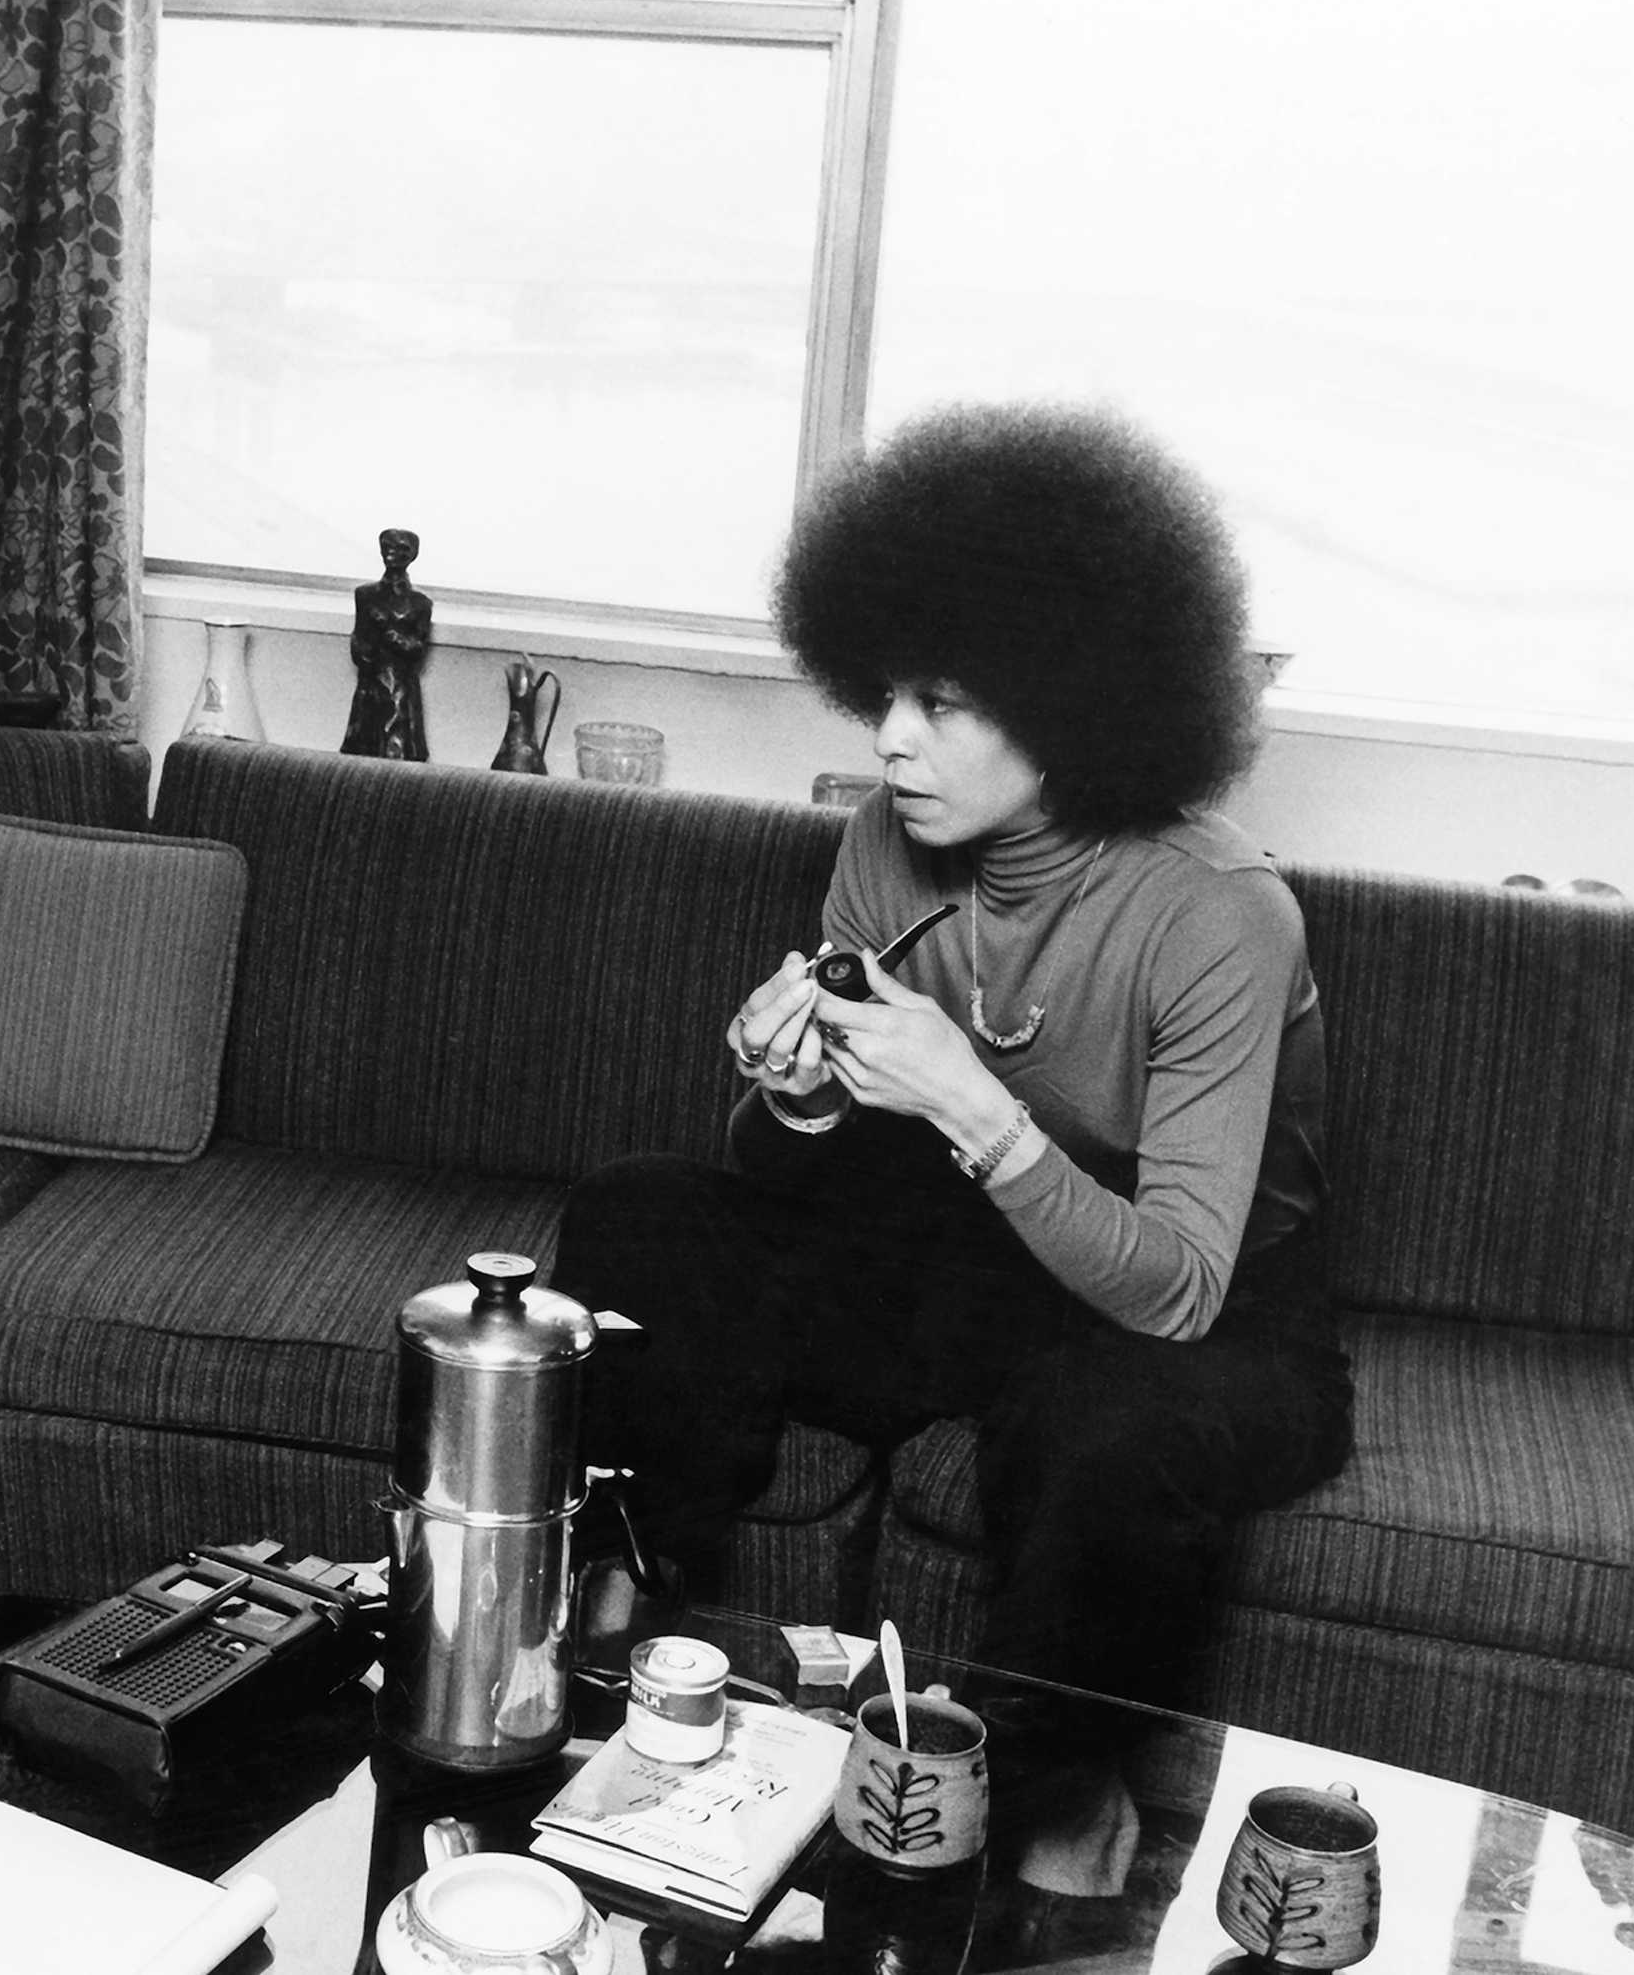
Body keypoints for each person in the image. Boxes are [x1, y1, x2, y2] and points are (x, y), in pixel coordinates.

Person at [554, 402, 1353, 1888]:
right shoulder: (885, 838)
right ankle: (652, 1626)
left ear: (1077, 702)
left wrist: (968, 1101)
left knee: (1114, 1427)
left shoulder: (1222, 910)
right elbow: (795, 1172)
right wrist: (797, 1094)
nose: (892, 735)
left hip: (1205, 1314)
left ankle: (1041, 1795)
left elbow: (1178, 1286)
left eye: (945, 699)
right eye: (886, 691)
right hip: (968, 1259)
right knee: (640, 1211)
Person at [342, 526, 432, 760]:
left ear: (413, 555)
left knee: (399, 759)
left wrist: (390, 632)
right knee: (359, 759)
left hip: (400, 692)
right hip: (370, 689)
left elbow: (416, 649)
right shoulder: (364, 595)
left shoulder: (421, 604)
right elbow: (358, 643)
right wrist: (364, 651)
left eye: (402, 548)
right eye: (388, 546)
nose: (393, 553)